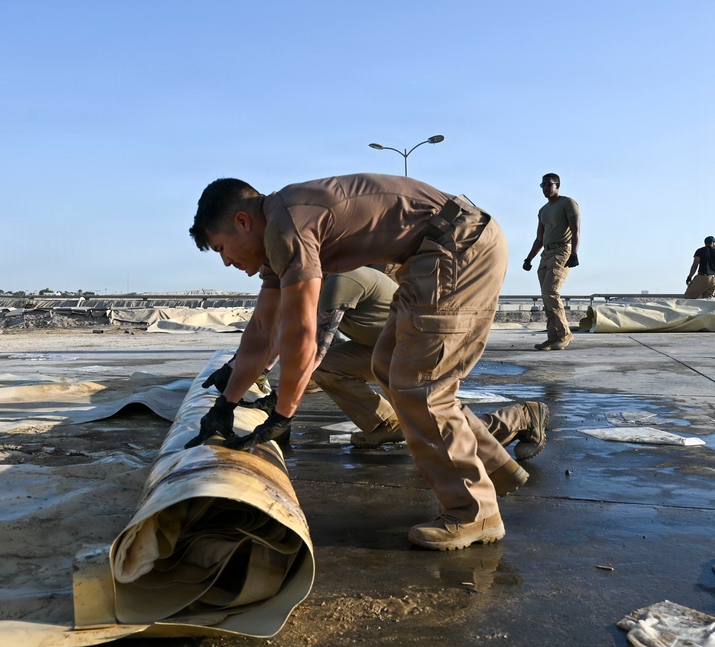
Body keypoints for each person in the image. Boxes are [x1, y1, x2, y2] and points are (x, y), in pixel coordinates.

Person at [185, 173, 521, 551]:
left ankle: (474, 511)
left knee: (420, 385)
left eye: (221, 248)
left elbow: (302, 334)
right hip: (430, 253)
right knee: (389, 366)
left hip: (457, 245)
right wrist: (225, 404)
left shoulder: (287, 227)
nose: (226, 262)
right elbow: (263, 330)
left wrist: (282, 414)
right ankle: (496, 467)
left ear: (243, 221)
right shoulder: (278, 234)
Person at [205, 266, 551, 469]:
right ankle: (384, 424)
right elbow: (284, 335)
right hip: (384, 350)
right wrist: (241, 369)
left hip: (423, 351)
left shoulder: (339, 280)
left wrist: (278, 407)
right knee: (329, 370)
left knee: (436, 432)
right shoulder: (313, 285)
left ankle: (522, 417)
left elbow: (314, 349)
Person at [522, 173, 580, 351]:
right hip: (546, 253)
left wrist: (574, 253)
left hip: (562, 251)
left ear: (558, 185)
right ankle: (552, 337)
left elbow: (576, 230)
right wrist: (529, 258)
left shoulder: (568, 203)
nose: (546, 188)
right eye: (543, 185)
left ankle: (565, 334)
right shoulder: (543, 211)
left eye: (549, 184)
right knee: (546, 297)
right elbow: (539, 239)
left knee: (551, 292)